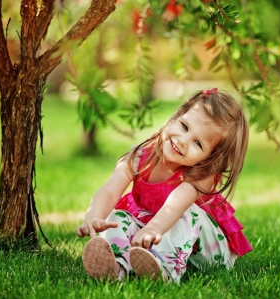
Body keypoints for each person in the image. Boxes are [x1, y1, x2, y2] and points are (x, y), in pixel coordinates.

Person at [75, 88, 252, 283]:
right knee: (118, 216)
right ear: (176, 116)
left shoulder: (202, 174)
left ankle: (165, 271)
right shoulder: (140, 156)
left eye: (198, 144)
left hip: (206, 252)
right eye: (184, 126)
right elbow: (109, 192)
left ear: (210, 158)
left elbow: (174, 205)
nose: (183, 141)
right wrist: (93, 217)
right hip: (157, 236)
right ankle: (116, 268)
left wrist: (154, 229)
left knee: (188, 212)